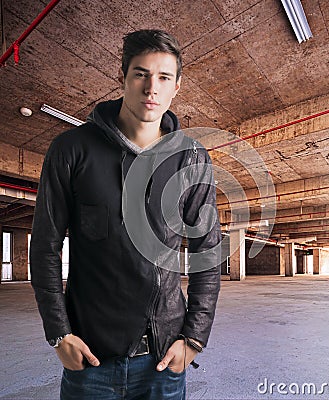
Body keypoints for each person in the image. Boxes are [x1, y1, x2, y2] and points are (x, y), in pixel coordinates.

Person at [30, 29, 221, 400]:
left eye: (164, 77)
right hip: (90, 361)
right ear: (123, 78)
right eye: (141, 74)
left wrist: (194, 338)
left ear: (176, 87)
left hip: (161, 361)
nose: (152, 88)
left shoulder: (191, 158)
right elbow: (44, 246)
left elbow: (207, 253)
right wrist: (58, 332)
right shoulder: (72, 149)